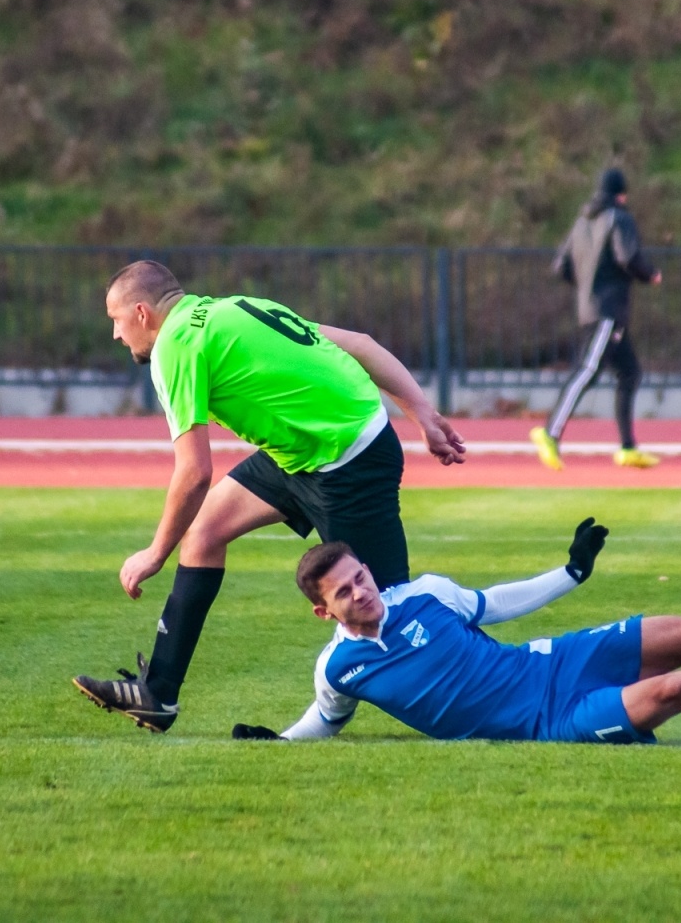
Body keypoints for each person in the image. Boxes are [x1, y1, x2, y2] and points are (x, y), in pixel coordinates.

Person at [73, 261, 467, 732]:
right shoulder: (234, 306)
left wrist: (155, 554)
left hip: (349, 461)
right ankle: (158, 694)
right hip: (300, 454)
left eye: (115, 321)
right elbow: (360, 344)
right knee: (204, 533)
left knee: (392, 613)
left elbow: (195, 472)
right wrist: (422, 412)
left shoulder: (174, 347)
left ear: (141, 313)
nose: (116, 335)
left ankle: (493, 685)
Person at [229, 520, 681, 744]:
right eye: (344, 590)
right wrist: (277, 744)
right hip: (548, 722)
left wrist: (572, 572)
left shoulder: (425, 596)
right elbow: (324, 720)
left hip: (553, 661)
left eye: (362, 577)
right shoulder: (338, 669)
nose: (362, 590)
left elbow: (498, 603)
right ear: (324, 611)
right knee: (674, 691)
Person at [531, 168, 663, 472]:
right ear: (621, 194)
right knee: (588, 369)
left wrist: (589, 285)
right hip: (608, 310)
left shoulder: (582, 222)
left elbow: (561, 266)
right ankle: (550, 433)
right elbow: (627, 256)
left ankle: (628, 448)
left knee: (629, 373)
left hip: (592, 307)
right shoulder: (619, 218)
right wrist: (650, 274)